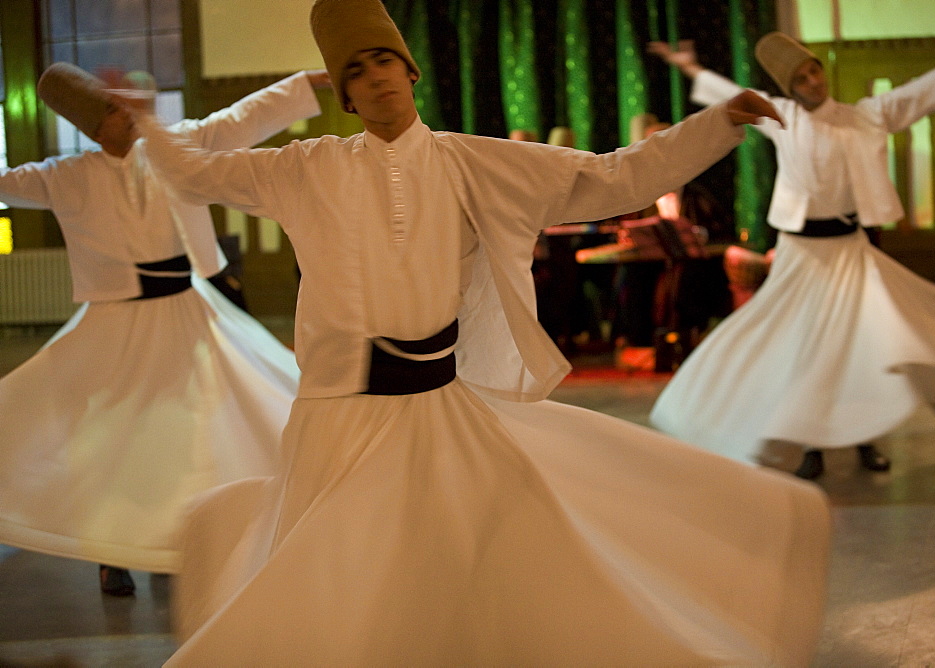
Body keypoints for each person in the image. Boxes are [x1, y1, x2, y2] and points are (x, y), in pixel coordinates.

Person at [129, 1, 830, 664]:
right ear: (344, 96)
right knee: (332, 567)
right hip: (335, 413)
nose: (375, 79)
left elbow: (614, 177)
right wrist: (271, 100)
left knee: (476, 557)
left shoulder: (475, 163)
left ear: (412, 71)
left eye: (383, 62)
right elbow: (187, 170)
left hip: (436, 407)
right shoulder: (305, 169)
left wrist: (715, 125)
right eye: (356, 72)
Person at [0, 62, 328, 595]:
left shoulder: (170, 143)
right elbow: (7, 187)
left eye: (119, 103)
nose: (123, 114)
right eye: (109, 110)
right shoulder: (63, 175)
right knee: (116, 436)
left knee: (189, 429)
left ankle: (167, 541)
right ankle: (113, 552)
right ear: (90, 126)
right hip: (114, 322)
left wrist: (302, 86)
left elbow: (237, 122)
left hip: (185, 310)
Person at [648, 34, 935, 479]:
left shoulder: (864, 117)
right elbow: (733, 99)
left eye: (814, 71)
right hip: (801, 253)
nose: (813, 81)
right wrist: (690, 69)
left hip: (850, 249)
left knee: (864, 345)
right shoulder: (784, 117)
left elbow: (912, 98)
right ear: (791, 87)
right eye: (802, 78)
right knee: (803, 348)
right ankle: (808, 440)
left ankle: (863, 439)